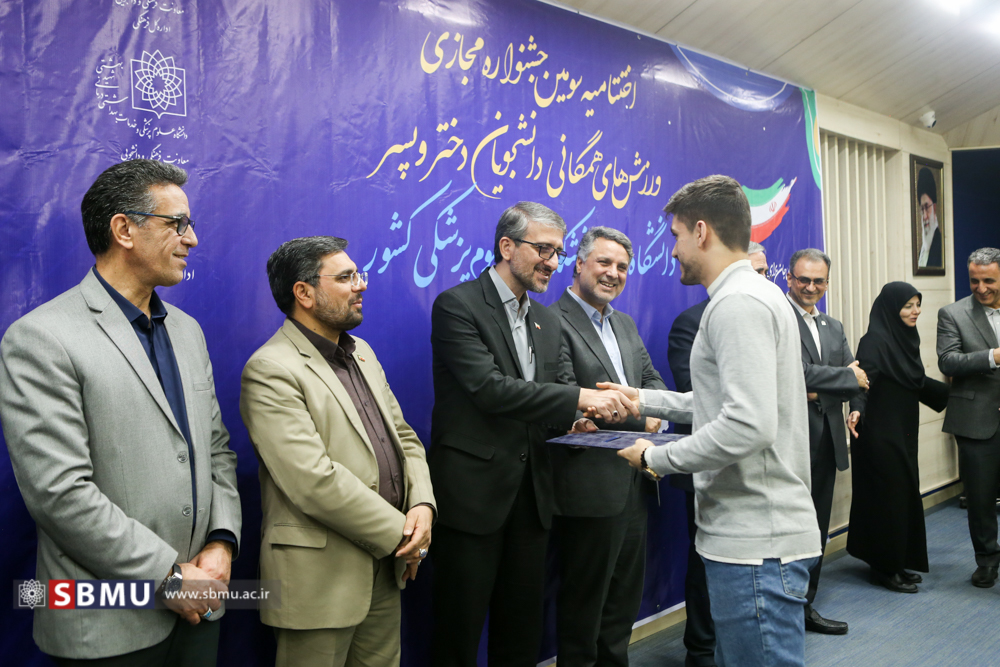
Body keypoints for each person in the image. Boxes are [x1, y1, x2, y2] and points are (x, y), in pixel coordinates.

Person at [0, 159, 241, 666]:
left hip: (201, 609)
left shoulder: (188, 331)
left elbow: (216, 449)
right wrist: (167, 576)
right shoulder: (42, 338)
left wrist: (222, 542)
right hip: (107, 626)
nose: (192, 238)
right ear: (123, 230)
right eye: (178, 223)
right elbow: (60, 493)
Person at [612, 175, 820, 667]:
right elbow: (723, 403)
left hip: (756, 545)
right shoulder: (749, 295)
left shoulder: (737, 304)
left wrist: (657, 458)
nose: (673, 251)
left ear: (701, 231)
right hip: (752, 540)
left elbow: (747, 425)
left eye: (677, 236)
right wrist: (642, 400)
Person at [428, 201, 636, 667]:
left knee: (520, 635)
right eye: (543, 249)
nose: (553, 262)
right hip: (473, 499)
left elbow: (543, 397)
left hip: (533, 500)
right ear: (507, 247)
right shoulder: (458, 306)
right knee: (457, 635)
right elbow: (490, 390)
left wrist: (573, 421)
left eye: (558, 252)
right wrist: (579, 398)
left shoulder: (546, 319)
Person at [240, 236, 436, 667]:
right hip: (320, 580)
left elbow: (404, 438)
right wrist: (404, 534)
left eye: (357, 275)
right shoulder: (271, 369)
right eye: (346, 277)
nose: (360, 285)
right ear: (304, 293)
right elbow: (312, 480)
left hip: (386, 570)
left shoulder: (361, 352)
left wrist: (422, 504)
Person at [550, 226, 666, 666]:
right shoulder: (551, 321)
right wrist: (644, 415)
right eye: (604, 262)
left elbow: (651, 380)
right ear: (579, 264)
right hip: (590, 488)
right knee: (585, 607)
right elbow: (570, 397)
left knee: (622, 604)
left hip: (636, 480)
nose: (613, 273)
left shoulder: (624, 323)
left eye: (621, 266)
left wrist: (655, 410)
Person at [664, 239, 765, 667]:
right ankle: (701, 650)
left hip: (756, 467)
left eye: (765, 273)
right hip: (708, 464)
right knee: (705, 562)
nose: (759, 281)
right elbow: (700, 396)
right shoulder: (692, 323)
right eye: (753, 272)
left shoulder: (767, 314)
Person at [785, 248, 867, 633]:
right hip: (790, 442)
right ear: (789, 278)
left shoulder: (833, 326)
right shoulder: (777, 318)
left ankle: (806, 605)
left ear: (827, 284)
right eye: (803, 279)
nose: (810, 287)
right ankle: (785, 609)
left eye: (818, 281)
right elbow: (793, 374)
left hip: (828, 441)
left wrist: (844, 397)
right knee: (789, 530)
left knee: (816, 528)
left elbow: (857, 378)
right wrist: (838, 380)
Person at [847, 282, 948, 593]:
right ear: (892, 309)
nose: (915, 311)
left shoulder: (906, 337)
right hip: (877, 433)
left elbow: (912, 380)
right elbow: (862, 382)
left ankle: (897, 561)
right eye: (908, 306)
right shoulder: (874, 341)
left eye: (917, 304)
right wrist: (856, 409)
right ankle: (884, 569)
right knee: (887, 499)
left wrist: (957, 395)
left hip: (901, 430)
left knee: (902, 496)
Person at [937, 248, 1000, 588]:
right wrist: (993, 356)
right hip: (976, 419)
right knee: (980, 498)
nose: (981, 288)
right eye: (974, 281)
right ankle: (987, 560)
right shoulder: (953, 313)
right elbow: (948, 361)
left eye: (989, 280)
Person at [916, 167, 942, 268]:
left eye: (927, 207)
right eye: (922, 209)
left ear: (934, 208)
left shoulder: (941, 247)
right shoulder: (922, 252)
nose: (925, 216)